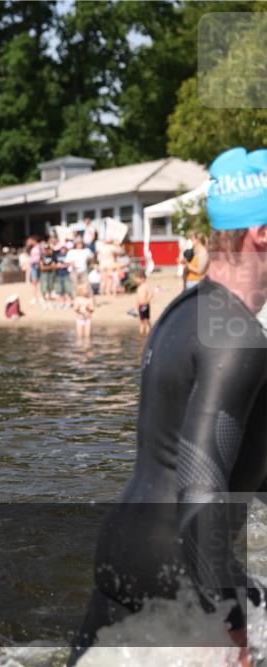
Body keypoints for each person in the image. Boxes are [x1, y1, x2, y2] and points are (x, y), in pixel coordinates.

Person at [68, 147, 267, 666]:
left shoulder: (182, 313)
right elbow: (202, 482)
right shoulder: (238, 338)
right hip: (177, 572)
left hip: (123, 552)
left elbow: (245, 470)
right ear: (261, 233)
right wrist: (229, 624)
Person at [135, 271, 153, 337]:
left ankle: (149, 333)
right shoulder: (139, 287)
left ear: (143, 278)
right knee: (141, 320)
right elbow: (138, 297)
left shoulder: (146, 286)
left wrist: (147, 301)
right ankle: (141, 334)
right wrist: (136, 304)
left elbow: (150, 294)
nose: (136, 281)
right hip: (140, 305)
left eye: (137, 279)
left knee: (146, 320)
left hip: (145, 305)